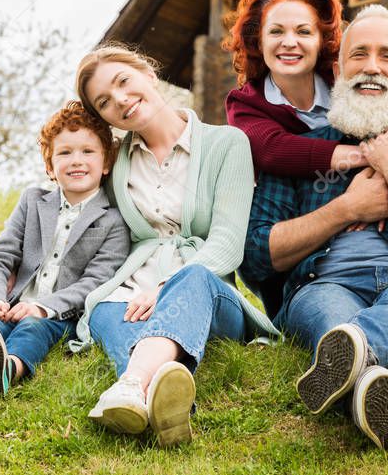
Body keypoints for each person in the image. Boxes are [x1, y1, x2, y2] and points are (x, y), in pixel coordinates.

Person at [244, 4, 388, 450]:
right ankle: (369, 380)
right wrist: (348, 207)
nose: (371, 68)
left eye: (387, 56)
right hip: (323, 283)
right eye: (359, 55)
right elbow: (257, 256)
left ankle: (353, 360)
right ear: (337, 70)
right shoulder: (299, 154)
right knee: (325, 307)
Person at [74, 43, 279, 446]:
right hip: (136, 287)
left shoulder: (228, 144)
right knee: (101, 307)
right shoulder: (115, 167)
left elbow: (227, 243)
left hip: (205, 289)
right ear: (105, 118)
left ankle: (132, 383)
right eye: (105, 101)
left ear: (149, 75)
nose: (121, 100)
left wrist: (168, 287)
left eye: (123, 82)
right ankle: (161, 402)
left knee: (196, 278)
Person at [224, 0, 388, 317]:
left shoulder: (349, 80)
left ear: (324, 42)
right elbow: (273, 150)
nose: (290, 42)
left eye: (304, 31)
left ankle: (356, 349)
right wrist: (373, 158)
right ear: (258, 40)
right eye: (276, 31)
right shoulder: (248, 103)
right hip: (303, 246)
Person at [0, 101, 130, 400]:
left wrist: (43, 307)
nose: (76, 160)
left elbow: (96, 281)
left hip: (60, 315)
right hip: (15, 304)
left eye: (87, 151)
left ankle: (8, 369)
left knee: (32, 328)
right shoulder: (32, 202)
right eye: (65, 153)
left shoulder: (114, 220)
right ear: (50, 166)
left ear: (106, 163)